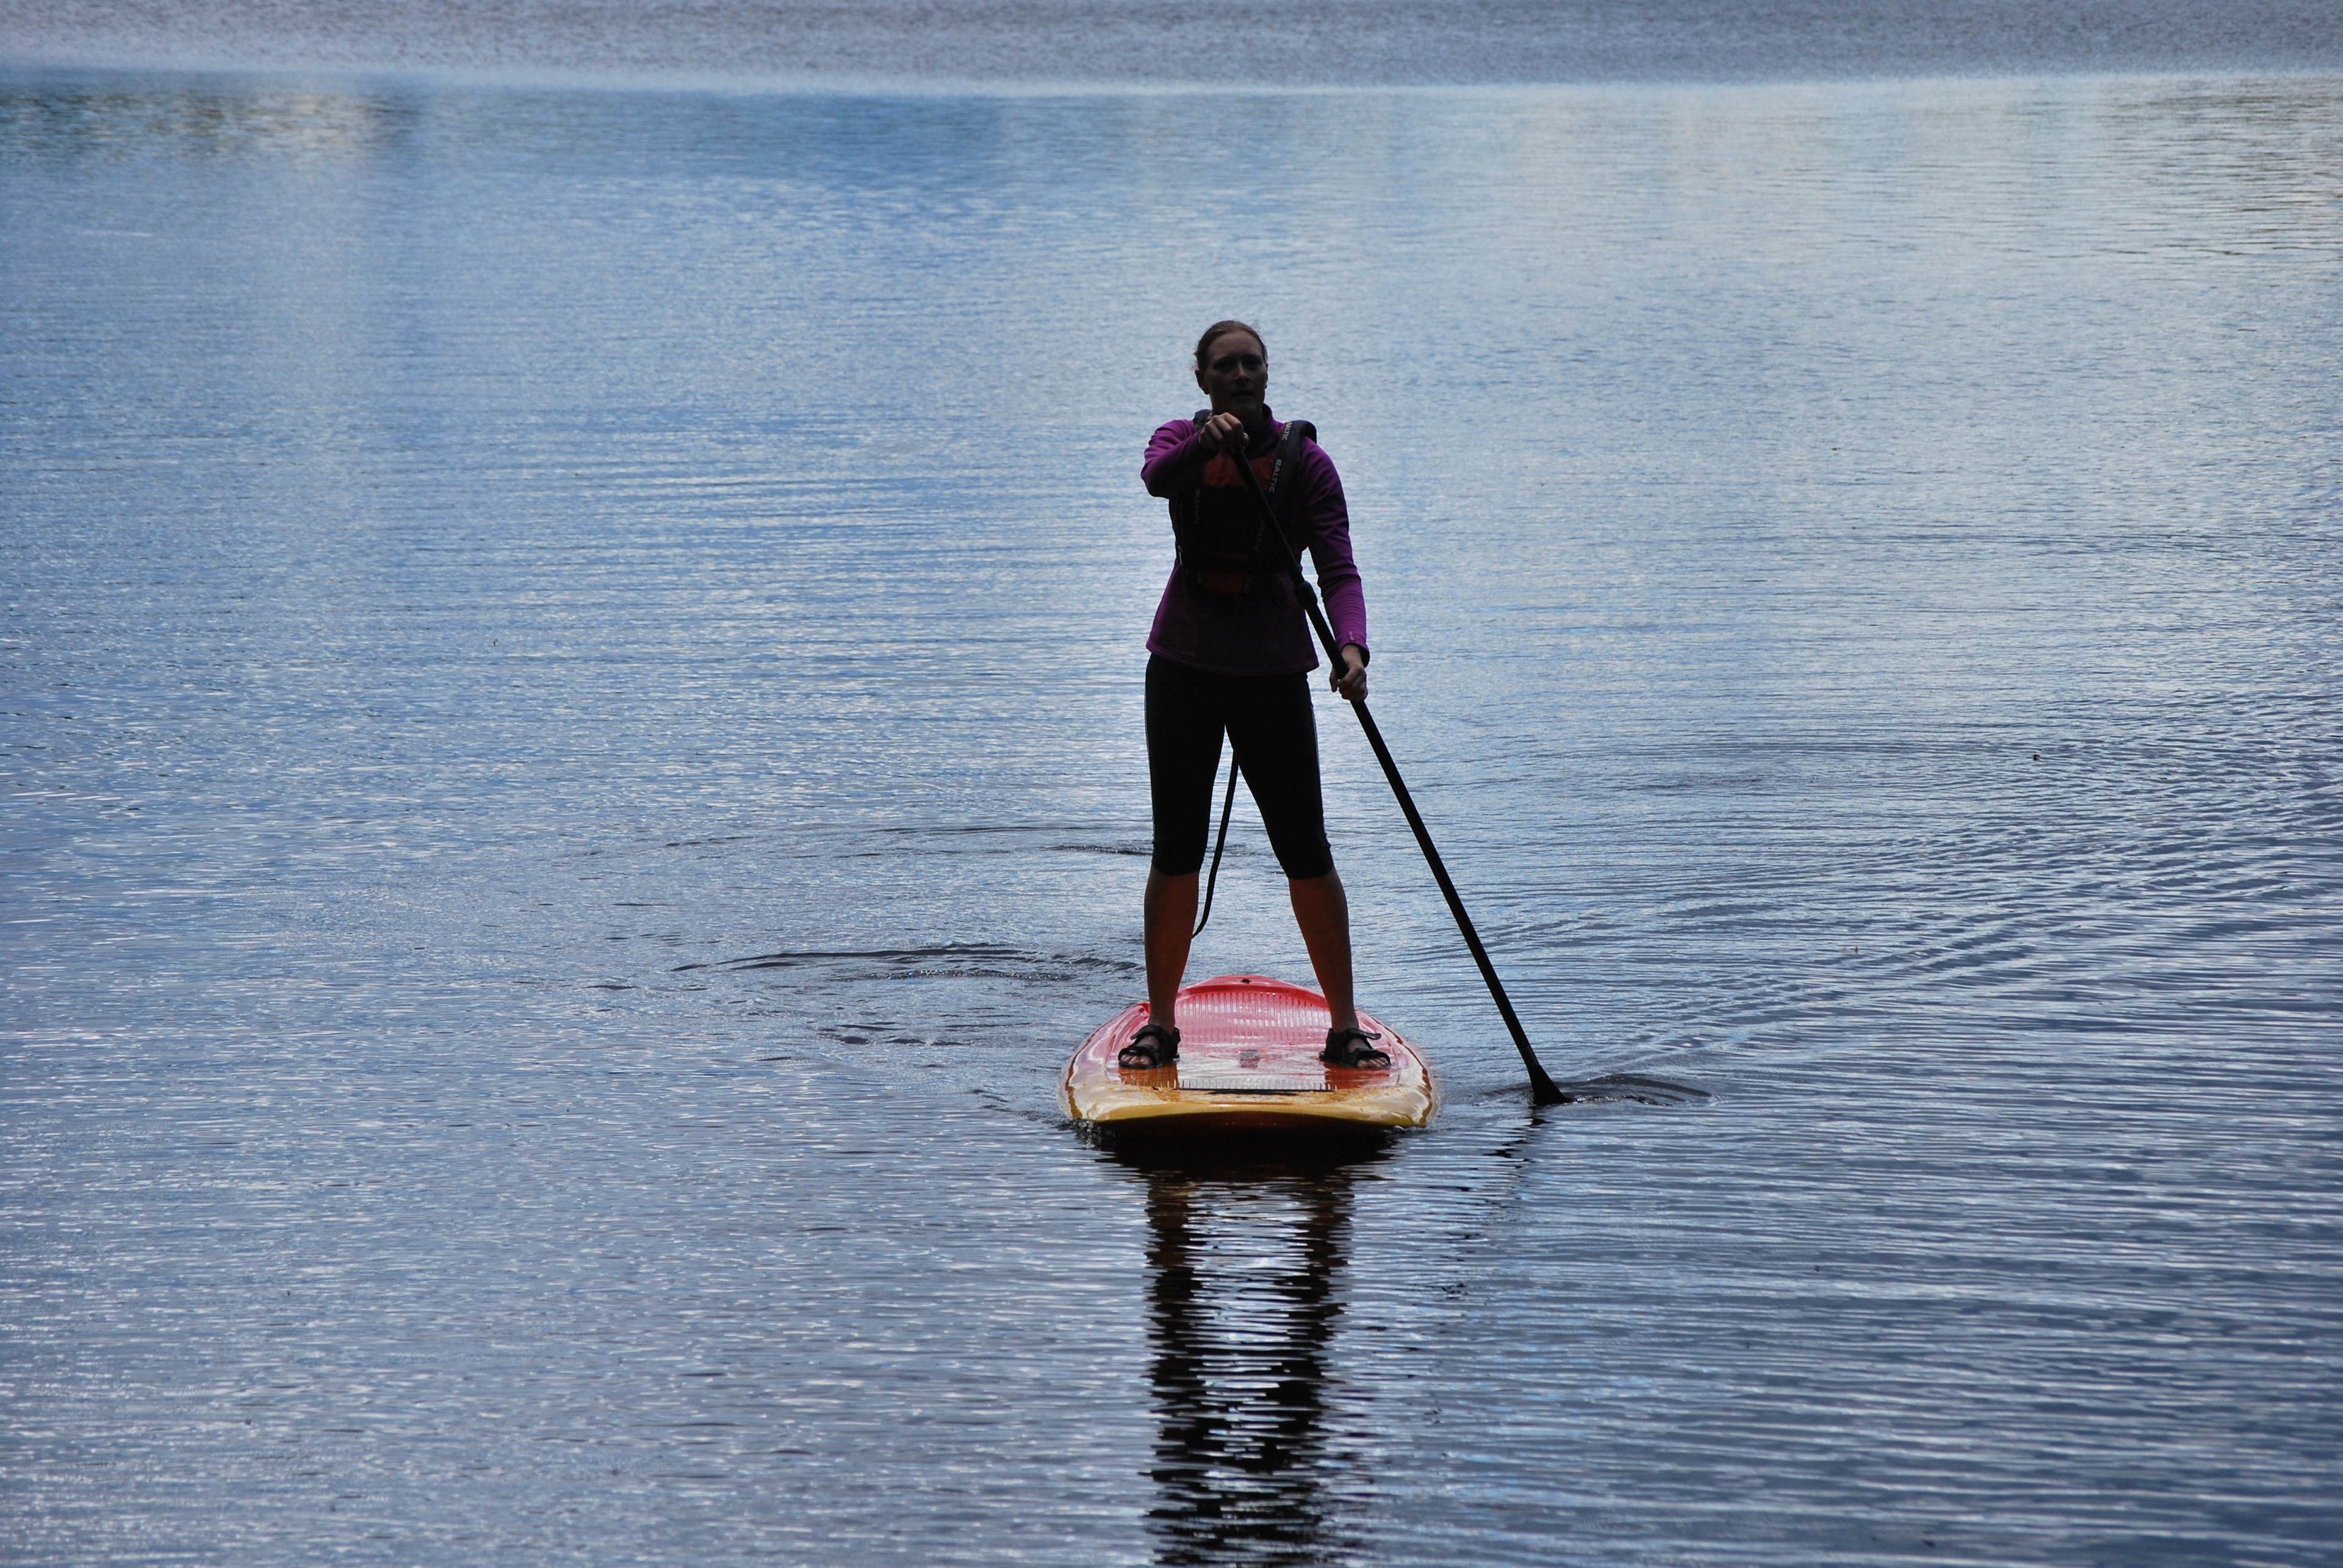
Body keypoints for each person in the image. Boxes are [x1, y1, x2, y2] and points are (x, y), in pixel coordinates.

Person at [1121, 320, 1390, 1073]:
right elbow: (1156, 480)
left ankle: (1343, 1026)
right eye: (1225, 366)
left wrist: (1351, 647)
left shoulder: (1307, 464)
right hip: (1184, 667)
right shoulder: (1178, 440)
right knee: (1176, 849)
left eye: (1252, 363)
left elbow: (1338, 567)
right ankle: (1162, 1025)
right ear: (1203, 377)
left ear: (1267, 373)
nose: (1241, 375)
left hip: (1274, 671)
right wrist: (1207, 445)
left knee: (1306, 851)